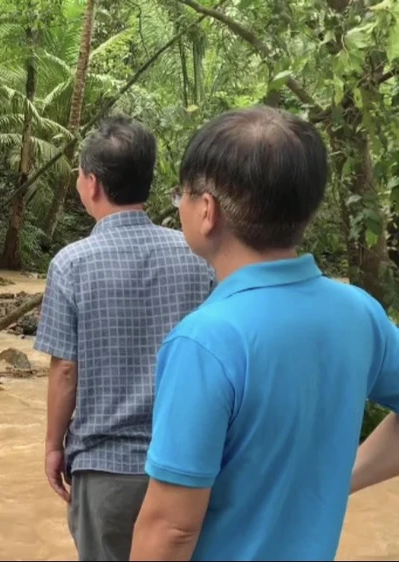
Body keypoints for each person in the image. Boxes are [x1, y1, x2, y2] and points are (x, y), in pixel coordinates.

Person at [129, 106, 399, 561]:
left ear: (207, 210)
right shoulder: (358, 313)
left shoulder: (203, 342)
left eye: (183, 196)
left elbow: (171, 528)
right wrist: (335, 479)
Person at [34, 116, 213, 562]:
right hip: (187, 467)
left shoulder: (71, 264)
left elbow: (66, 370)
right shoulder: (197, 256)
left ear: (92, 184)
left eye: (79, 174)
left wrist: (54, 446)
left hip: (105, 470)